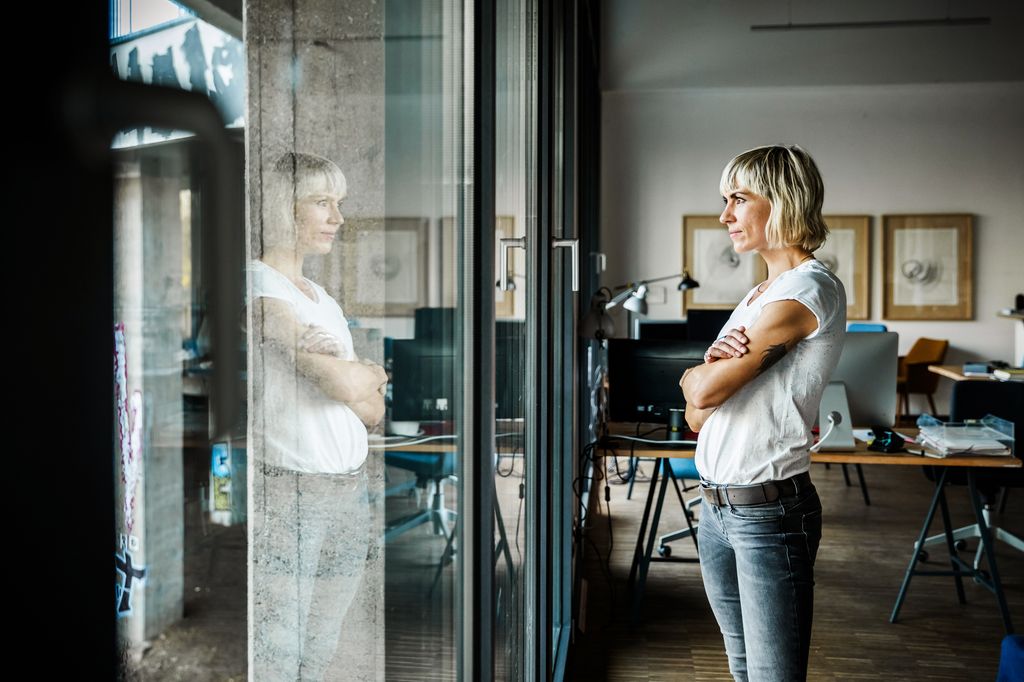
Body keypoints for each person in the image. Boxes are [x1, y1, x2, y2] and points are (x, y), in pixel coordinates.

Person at [679, 144, 846, 681]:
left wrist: (692, 377)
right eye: (724, 199)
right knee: (743, 665)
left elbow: (702, 393)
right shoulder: (759, 294)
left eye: (739, 198)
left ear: (783, 201)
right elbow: (697, 418)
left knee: (773, 674)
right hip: (717, 509)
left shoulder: (807, 291)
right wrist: (697, 382)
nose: (725, 214)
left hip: (768, 516)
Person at [248, 151, 388, 680]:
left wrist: (360, 374)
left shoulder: (323, 300)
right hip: (292, 494)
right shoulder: (258, 285)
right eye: (322, 203)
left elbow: (372, 411)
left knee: (322, 639)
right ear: (285, 209)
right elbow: (344, 383)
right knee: (281, 642)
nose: (338, 218)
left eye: (340, 203)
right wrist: (363, 372)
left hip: (348, 491)